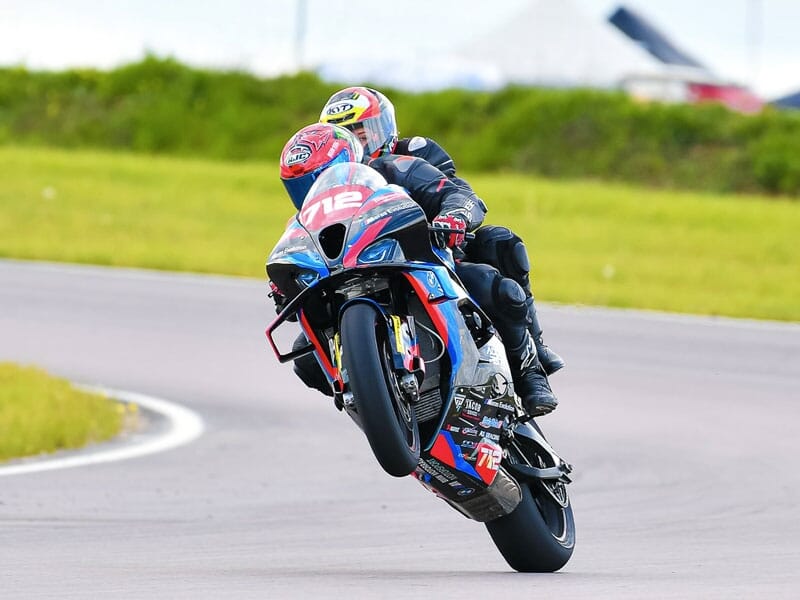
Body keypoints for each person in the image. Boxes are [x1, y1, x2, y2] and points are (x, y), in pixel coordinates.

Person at [273, 121, 557, 417]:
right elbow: (289, 264)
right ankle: (376, 406)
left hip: (417, 264)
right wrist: (284, 286)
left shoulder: (395, 166)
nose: (317, 187)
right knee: (306, 360)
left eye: (324, 174)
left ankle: (530, 374)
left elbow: (455, 193)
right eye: (302, 184)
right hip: (348, 283)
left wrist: (455, 215)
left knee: (494, 286)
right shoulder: (303, 220)